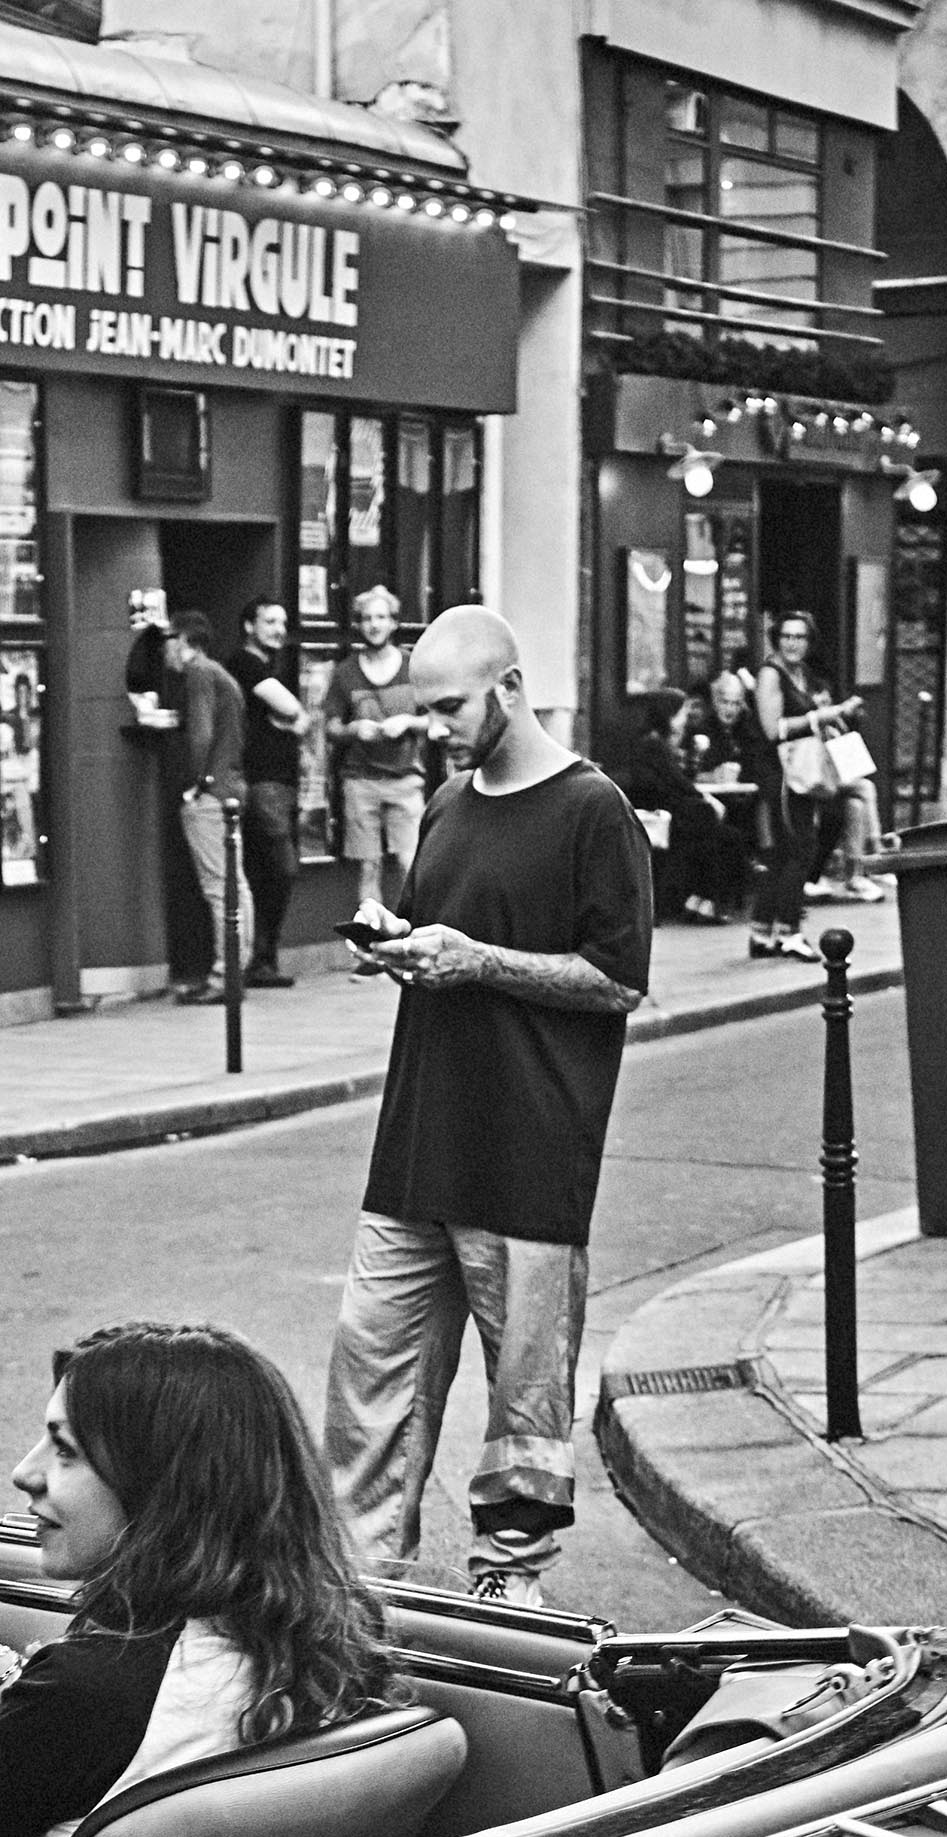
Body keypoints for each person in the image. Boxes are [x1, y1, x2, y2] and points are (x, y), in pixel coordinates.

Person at [320, 602, 652, 1612]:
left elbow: (616, 979)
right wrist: (398, 942)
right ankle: (350, 1592)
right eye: (424, 713)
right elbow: (442, 941)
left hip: (528, 1148)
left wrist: (476, 959)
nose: (436, 729)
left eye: (451, 706)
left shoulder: (593, 811)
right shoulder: (445, 804)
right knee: (365, 1379)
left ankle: (509, 1596)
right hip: (418, 1141)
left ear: (509, 685)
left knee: (523, 1399)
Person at [0, 1322, 395, 1837]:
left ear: (161, 1490)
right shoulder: (317, 1634)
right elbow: (108, 1746)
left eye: (65, 1449)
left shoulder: (98, 1684)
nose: (25, 1473)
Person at [751, 610, 861, 954]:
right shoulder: (771, 674)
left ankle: (764, 932)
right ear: (776, 638)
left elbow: (813, 718)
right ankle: (787, 931)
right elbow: (772, 729)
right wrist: (819, 716)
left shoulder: (805, 674)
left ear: (809, 642)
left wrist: (838, 715)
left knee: (791, 850)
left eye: (800, 637)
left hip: (804, 769)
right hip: (781, 771)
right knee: (798, 847)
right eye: (787, 636)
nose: (793, 644)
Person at [324, 587, 430, 913]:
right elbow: (330, 727)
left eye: (381, 617)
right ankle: (371, 946)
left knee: (409, 863)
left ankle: (412, 940)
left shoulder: (414, 667)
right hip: (361, 779)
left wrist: (409, 723)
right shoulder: (345, 672)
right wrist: (353, 730)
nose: (374, 624)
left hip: (405, 777)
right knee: (369, 865)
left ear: (394, 623)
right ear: (359, 624)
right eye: (367, 618)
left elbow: (438, 720)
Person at [163, 608, 246, 1000]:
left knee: (219, 887)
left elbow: (201, 733)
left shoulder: (199, 673)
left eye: (168, 640)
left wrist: (197, 785)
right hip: (229, 788)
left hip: (212, 795)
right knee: (233, 883)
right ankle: (233, 969)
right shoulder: (219, 674)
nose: (165, 649)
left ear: (184, 642)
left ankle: (223, 976)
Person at [228, 593, 305, 985]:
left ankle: (264, 958)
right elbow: (292, 710)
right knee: (281, 868)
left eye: (282, 622)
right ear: (249, 626)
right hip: (263, 783)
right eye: (270, 622)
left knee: (266, 871)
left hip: (279, 782)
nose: (278, 630)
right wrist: (294, 718)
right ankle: (258, 958)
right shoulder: (245, 663)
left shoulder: (271, 665)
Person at [618, 687, 746, 920]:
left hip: (667, 814)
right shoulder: (655, 745)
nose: (686, 719)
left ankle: (699, 900)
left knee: (718, 833)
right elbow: (679, 783)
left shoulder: (652, 743)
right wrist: (706, 799)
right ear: (669, 715)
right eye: (682, 713)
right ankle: (705, 901)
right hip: (666, 819)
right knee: (727, 837)